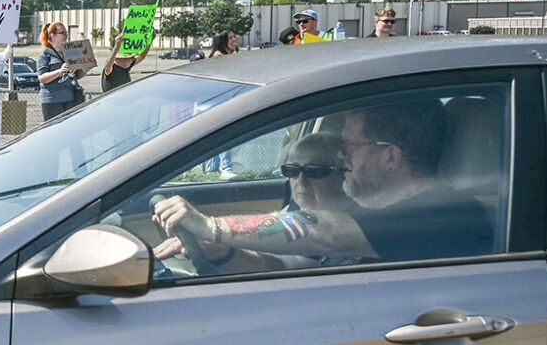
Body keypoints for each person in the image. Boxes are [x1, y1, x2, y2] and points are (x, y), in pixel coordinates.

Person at [152, 97, 492, 269]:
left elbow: (323, 233)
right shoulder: (375, 208)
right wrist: (223, 251)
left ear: (391, 156)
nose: (340, 156)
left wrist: (211, 226)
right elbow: (286, 266)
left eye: (349, 145)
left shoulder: (437, 215)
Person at [157, 131, 359, 271]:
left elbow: (288, 268)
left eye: (314, 171)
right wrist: (220, 248)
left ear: (345, 176)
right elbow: (273, 246)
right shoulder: (297, 208)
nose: (301, 180)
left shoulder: (352, 222)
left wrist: (211, 231)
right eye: (291, 170)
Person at [36, 22, 87, 122]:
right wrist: (59, 71)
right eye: (62, 33)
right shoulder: (45, 53)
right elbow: (42, 78)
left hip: (70, 98)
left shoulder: (69, 51)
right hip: (52, 100)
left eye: (66, 33)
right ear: (53, 36)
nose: (66, 35)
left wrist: (84, 67)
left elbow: (76, 75)